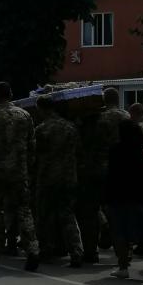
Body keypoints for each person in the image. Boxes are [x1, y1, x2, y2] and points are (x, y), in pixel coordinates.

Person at [0, 82, 40, 271]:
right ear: (11, 94)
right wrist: (27, 168)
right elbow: (32, 145)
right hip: (19, 173)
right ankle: (32, 250)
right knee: (24, 212)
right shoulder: (25, 115)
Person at [76, 87, 129, 263]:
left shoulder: (97, 118)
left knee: (89, 211)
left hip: (96, 170)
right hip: (120, 172)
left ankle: (91, 252)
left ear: (104, 100)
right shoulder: (127, 117)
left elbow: (86, 143)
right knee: (119, 212)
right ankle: (123, 254)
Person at [105, 120, 143, 281]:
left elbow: (111, 176)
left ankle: (123, 267)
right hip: (142, 198)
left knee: (120, 234)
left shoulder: (116, 150)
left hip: (119, 197)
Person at [34, 95, 84, 267]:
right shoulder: (71, 127)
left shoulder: (42, 129)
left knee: (44, 216)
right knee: (67, 216)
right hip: (69, 177)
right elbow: (79, 151)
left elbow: (36, 155)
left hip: (48, 178)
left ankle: (46, 249)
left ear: (42, 109)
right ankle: (76, 252)